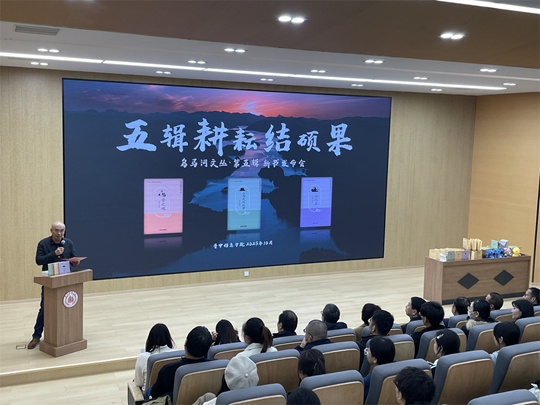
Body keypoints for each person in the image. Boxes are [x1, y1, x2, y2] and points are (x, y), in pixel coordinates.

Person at [29, 221, 80, 349]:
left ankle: (67, 335)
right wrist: (54, 253)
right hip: (49, 282)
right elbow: (39, 261)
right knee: (44, 309)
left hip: (66, 281)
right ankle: (36, 336)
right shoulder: (43, 243)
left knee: (66, 308)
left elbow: (73, 257)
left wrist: (75, 262)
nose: (59, 233)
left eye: (62, 230)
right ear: (51, 230)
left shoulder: (68, 243)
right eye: (56, 230)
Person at [146, 326, 213, 400]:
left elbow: (155, 394)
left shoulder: (167, 370)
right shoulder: (217, 367)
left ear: (185, 342)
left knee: (148, 391)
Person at [134, 323, 176, 392]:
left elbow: (139, 383)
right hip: (171, 394)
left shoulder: (142, 357)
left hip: (150, 396)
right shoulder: (176, 354)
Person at [363, 336, 395, 401]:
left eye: (368, 351)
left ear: (375, 359)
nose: (367, 352)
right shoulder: (399, 371)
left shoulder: (369, 380)